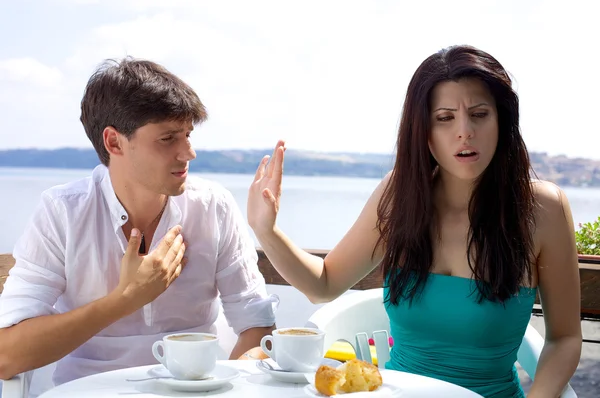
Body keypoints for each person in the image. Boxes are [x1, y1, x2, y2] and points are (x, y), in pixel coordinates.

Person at [247, 45, 582, 397]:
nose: (464, 131)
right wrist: (265, 231)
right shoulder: (399, 196)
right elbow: (323, 284)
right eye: (445, 118)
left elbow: (565, 338)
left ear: (502, 121)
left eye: (480, 114)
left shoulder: (541, 208)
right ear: (423, 130)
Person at [0, 57, 278, 387]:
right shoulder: (62, 212)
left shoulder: (213, 206)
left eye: (188, 134)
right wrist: (125, 299)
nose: (188, 153)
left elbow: (258, 330)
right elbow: (7, 356)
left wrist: (227, 388)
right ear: (114, 142)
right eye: (168, 138)